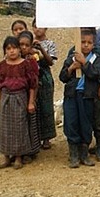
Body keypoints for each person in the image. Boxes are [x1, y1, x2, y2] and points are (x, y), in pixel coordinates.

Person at [59, 29, 100, 168]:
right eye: (83, 42)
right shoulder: (72, 57)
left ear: (93, 44)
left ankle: (84, 154)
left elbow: (96, 74)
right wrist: (72, 67)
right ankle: (73, 154)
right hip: (72, 95)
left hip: (88, 96)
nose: (86, 45)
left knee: (86, 124)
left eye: (89, 43)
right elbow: (62, 77)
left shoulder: (95, 58)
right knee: (71, 122)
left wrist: (85, 64)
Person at [0, 36, 38, 169]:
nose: (12, 51)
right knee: (5, 128)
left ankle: (19, 157)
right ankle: (6, 157)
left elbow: (32, 86)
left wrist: (31, 102)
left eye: (14, 48)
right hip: (6, 98)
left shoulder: (26, 65)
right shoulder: (1, 66)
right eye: (8, 49)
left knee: (19, 127)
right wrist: (0, 102)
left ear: (19, 50)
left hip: (20, 97)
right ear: (5, 51)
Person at [32, 19, 57, 150]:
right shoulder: (28, 43)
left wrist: (40, 48)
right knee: (34, 107)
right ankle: (35, 137)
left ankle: (47, 138)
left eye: (40, 27)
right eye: (35, 27)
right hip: (31, 76)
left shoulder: (50, 43)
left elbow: (50, 62)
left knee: (46, 106)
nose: (38, 29)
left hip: (45, 76)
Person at [18, 31, 42, 162]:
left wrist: (33, 100)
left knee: (30, 123)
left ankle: (30, 151)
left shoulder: (32, 61)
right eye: (21, 44)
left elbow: (35, 82)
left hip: (30, 95)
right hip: (16, 96)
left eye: (26, 45)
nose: (23, 47)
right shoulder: (11, 60)